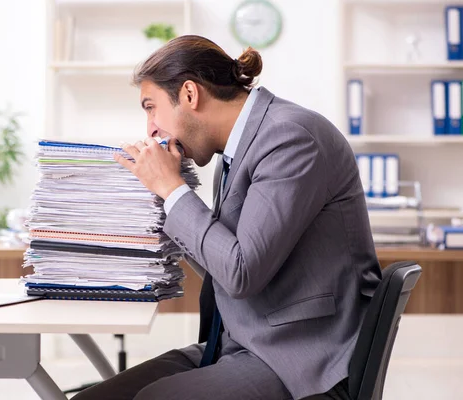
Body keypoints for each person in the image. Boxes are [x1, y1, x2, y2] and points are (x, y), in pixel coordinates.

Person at [72, 35, 382, 400]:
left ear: (189, 94)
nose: (150, 129)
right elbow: (226, 265)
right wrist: (158, 200)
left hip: (300, 357)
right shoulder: (235, 152)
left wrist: (174, 191)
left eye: (151, 107)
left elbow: (241, 272)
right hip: (242, 343)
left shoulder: (290, 138)